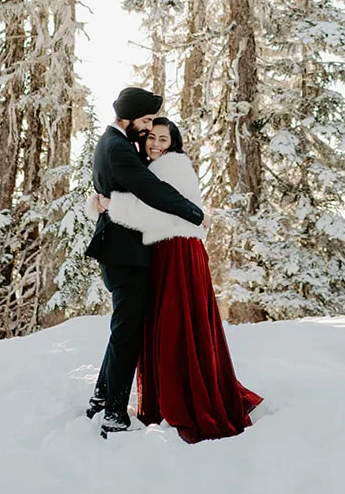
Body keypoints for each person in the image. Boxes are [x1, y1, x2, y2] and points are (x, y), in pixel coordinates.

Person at [91, 116, 262, 443]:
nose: (155, 144)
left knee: (176, 325)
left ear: (174, 143)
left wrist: (112, 205)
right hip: (165, 250)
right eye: (151, 138)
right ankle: (163, 394)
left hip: (178, 250)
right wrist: (101, 203)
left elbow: (154, 210)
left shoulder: (172, 166)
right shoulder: (152, 165)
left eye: (163, 139)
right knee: (165, 324)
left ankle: (185, 398)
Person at [84, 87, 206, 436]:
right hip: (124, 254)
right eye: (147, 120)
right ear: (131, 117)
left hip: (123, 252)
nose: (150, 128)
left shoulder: (115, 142)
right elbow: (151, 189)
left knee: (124, 329)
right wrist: (195, 214)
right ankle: (113, 413)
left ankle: (101, 397)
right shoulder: (118, 147)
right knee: (127, 334)